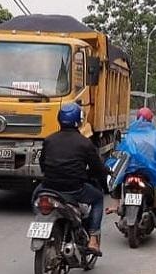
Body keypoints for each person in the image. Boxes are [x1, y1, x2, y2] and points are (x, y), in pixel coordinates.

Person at [37, 102, 109, 255]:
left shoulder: (49, 140)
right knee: (97, 199)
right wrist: (105, 183)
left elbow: (42, 163)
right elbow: (97, 169)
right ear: (79, 120)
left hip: (49, 187)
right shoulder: (85, 143)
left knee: (35, 198)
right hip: (74, 189)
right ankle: (93, 238)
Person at [106, 107, 156, 221]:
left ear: (137, 118)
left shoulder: (130, 134)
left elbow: (121, 152)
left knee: (116, 172)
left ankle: (115, 204)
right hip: (148, 171)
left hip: (130, 170)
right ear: (150, 120)